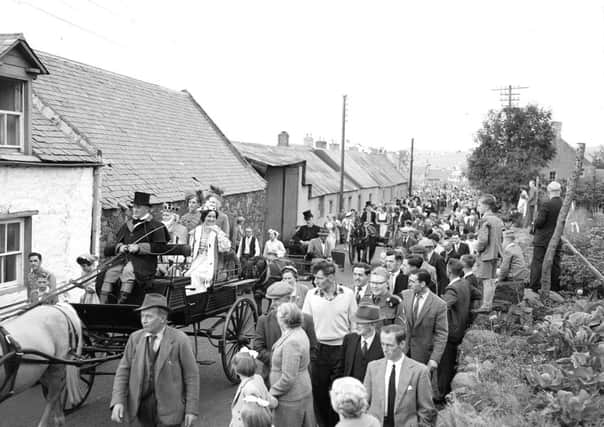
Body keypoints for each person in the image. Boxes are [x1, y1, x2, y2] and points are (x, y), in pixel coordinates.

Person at [110, 293, 199, 427]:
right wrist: (118, 401)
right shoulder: (135, 338)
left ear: (163, 318)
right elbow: (123, 371)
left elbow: (191, 376)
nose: (144, 320)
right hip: (142, 409)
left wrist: (191, 410)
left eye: (149, 316)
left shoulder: (180, 340)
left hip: (170, 410)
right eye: (142, 316)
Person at [303, 261, 357, 427]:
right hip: (318, 350)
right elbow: (306, 323)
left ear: (331, 277)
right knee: (319, 393)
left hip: (341, 349)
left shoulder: (348, 294)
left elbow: (354, 324)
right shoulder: (311, 295)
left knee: (339, 392)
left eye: (320, 278)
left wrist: (351, 349)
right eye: (315, 278)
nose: (316, 281)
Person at [363, 324, 436, 427]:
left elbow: (427, 410)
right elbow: (364, 402)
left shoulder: (419, 371)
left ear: (402, 344)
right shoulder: (372, 367)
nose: (384, 349)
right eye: (382, 344)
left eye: (389, 345)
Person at [107, 192, 170, 304]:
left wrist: (139, 248)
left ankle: (121, 302)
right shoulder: (127, 225)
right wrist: (120, 247)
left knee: (129, 270)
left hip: (145, 263)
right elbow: (113, 244)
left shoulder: (157, 226)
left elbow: (161, 248)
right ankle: (104, 302)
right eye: (134, 207)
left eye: (138, 207)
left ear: (147, 209)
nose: (135, 210)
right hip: (124, 259)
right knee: (110, 272)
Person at [254, 281, 318, 385]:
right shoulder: (263, 320)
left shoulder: (307, 320)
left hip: (299, 381)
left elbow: (314, 350)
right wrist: (280, 360)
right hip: (272, 380)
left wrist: (297, 363)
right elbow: (258, 348)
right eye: (271, 300)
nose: (272, 304)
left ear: (290, 299)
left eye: (277, 300)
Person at [269, 303, 316, 427]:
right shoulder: (298, 332)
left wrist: (272, 392)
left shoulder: (292, 341)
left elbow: (288, 377)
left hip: (291, 397)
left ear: (283, 320)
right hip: (300, 391)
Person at [437, 259, 471, 401]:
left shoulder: (452, 288)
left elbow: (442, 306)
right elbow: (477, 295)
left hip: (451, 331)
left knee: (445, 364)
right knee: (450, 363)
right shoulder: (465, 283)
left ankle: (441, 394)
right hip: (461, 327)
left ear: (448, 272)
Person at [401, 270, 448, 373]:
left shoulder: (439, 305)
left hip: (423, 356)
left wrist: (434, 358)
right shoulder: (405, 295)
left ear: (422, 284)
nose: (409, 284)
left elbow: (442, 334)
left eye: (412, 282)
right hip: (404, 352)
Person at [185, 209, 232, 293]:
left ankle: (198, 296)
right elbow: (191, 248)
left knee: (196, 275)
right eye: (209, 216)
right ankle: (191, 297)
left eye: (214, 217)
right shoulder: (197, 230)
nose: (211, 219)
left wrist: (218, 233)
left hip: (210, 260)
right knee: (187, 275)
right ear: (204, 217)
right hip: (197, 259)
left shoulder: (217, 231)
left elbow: (226, 247)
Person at [530, 181, 563, 292]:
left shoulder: (547, 204)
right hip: (557, 237)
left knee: (537, 262)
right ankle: (555, 288)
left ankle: (534, 287)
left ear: (549, 191)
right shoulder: (564, 204)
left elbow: (540, 222)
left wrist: (533, 223)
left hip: (543, 239)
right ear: (560, 191)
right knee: (555, 263)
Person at [229, 352, 277, 427]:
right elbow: (268, 398)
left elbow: (252, 414)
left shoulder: (250, 389)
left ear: (236, 370)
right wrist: (275, 402)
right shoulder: (258, 378)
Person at [341, 305, 384, 382]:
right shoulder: (349, 339)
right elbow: (340, 367)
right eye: (356, 323)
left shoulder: (383, 343)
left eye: (360, 323)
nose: (356, 326)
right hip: (351, 389)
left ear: (373, 324)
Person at [476, 194, 503, 312]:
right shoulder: (498, 220)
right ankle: (489, 303)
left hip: (486, 254)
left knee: (486, 281)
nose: (478, 207)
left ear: (486, 206)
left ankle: (486, 305)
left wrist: (477, 249)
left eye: (479, 205)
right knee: (491, 281)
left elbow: (483, 240)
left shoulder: (485, 219)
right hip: (496, 253)